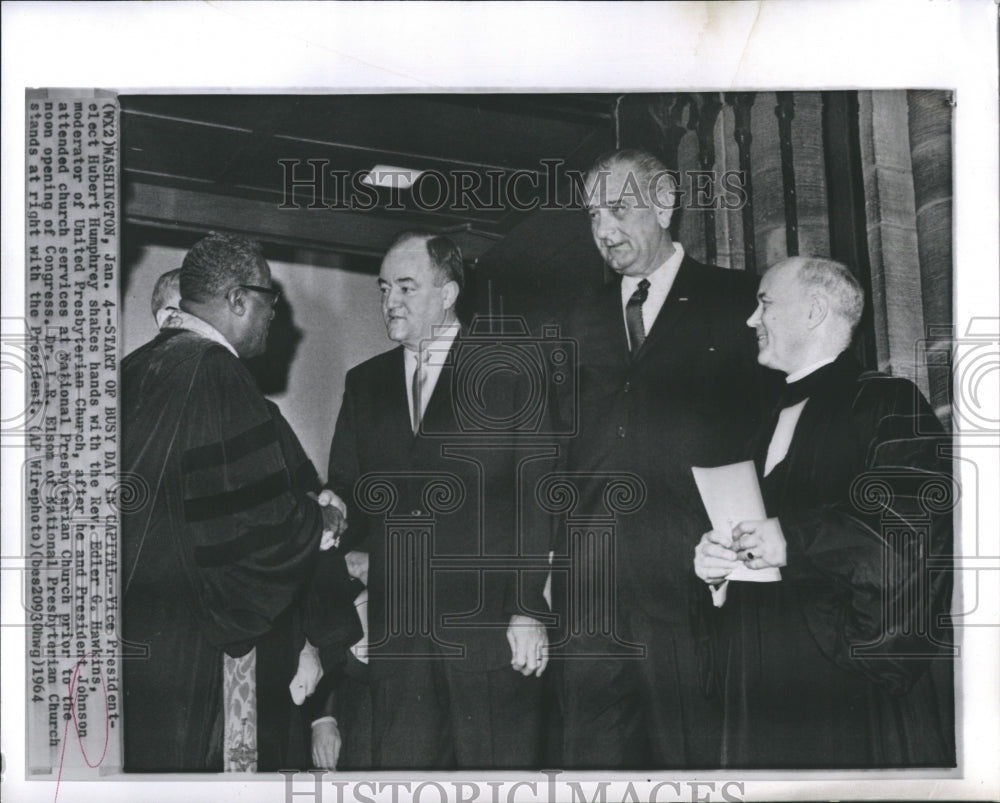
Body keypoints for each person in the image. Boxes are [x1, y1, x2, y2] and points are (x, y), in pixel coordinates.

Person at [693, 256, 955, 768]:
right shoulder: (757, 422)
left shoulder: (890, 403)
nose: (752, 320)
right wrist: (717, 568)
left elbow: (913, 533)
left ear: (813, 311)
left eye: (764, 303)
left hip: (840, 679)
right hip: (756, 673)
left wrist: (792, 539)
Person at [550, 148, 763, 768]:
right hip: (589, 594)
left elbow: (760, 436)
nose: (604, 231)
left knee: (691, 761)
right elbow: (554, 452)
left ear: (664, 201)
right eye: (593, 217)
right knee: (590, 768)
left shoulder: (736, 300)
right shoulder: (576, 319)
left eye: (617, 209)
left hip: (691, 586)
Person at [122, 233, 353, 772]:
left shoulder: (131, 371)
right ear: (238, 300)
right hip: (197, 642)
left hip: (138, 640)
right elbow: (257, 525)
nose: (275, 317)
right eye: (270, 302)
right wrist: (322, 518)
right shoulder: (217, 373)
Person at [325, 231, 551, 769]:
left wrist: (526, 609)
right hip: (399, 637)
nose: (389, 303)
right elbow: (348, 488)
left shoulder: (510, 371)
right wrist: (332, 514)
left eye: (406, 287)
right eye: (383, 289)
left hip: (488, 628)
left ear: (448, 293)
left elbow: (536, 497)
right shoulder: (365, 383)